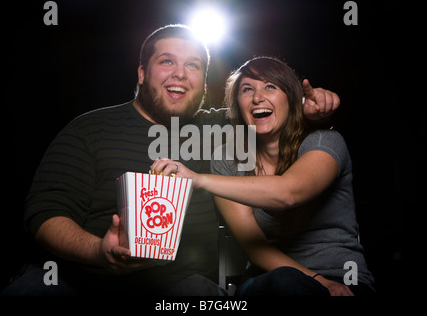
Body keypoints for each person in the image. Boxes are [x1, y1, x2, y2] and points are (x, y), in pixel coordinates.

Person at [3, 25, 339, 295]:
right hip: (81, 275)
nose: (180, 74)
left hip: (179, 283)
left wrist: (311, 111)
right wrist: (97, 252)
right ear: (140, 73)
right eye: (167, 62)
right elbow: (45, 214)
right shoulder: (89, 129)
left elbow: (269, 113)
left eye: (192, 65)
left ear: (204, 84)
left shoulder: (221, 128)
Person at [151, 56, 374, 296]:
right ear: (237, 104)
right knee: (189, 288)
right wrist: (314, 280)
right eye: (247, 89)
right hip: (268, 283)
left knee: (287, 282)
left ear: (291, 99)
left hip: (339, 281)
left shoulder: (325, 141)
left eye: (270, 86)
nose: (257, 98)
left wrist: (199, 180)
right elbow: (254, 247)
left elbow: (288, 193)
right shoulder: (227, 160)